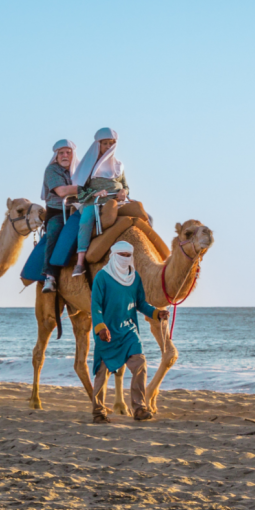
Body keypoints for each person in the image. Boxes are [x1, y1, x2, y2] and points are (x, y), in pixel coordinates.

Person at [88, 241, 166, 423]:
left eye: (127, 255)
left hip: (129, 331)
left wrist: (156, 313)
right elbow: (96, 306)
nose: (124, 259)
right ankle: (98, 412)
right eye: (120, 255)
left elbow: (140, 303)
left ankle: (139, 408)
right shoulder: (102, 277)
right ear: (113, 255)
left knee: (140, 364)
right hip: (106, 332)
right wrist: (100, 328)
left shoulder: (135, 278)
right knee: (102, 372)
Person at [70, 128, 127, 277]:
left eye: (111, 144)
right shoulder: (88, 166)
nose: (108, 147)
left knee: (146, 216)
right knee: (85, 221)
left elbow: (125, 184)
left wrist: (124, 192)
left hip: (117, 201)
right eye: (105, 144)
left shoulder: (118, 165)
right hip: (93, 202)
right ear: (98, 145)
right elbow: (80, 190)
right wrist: (94, 193)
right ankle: (80, 262)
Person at [39, 139, 79, 292]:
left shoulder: (81, 169)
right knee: (54, 231)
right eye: (61, 153)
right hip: (59, 212)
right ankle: (50, 276)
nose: (65, 156)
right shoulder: (52, 170)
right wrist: (86, 189)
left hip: (81, 209)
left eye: (68, 153)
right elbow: (62, 191)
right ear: (56, 156)